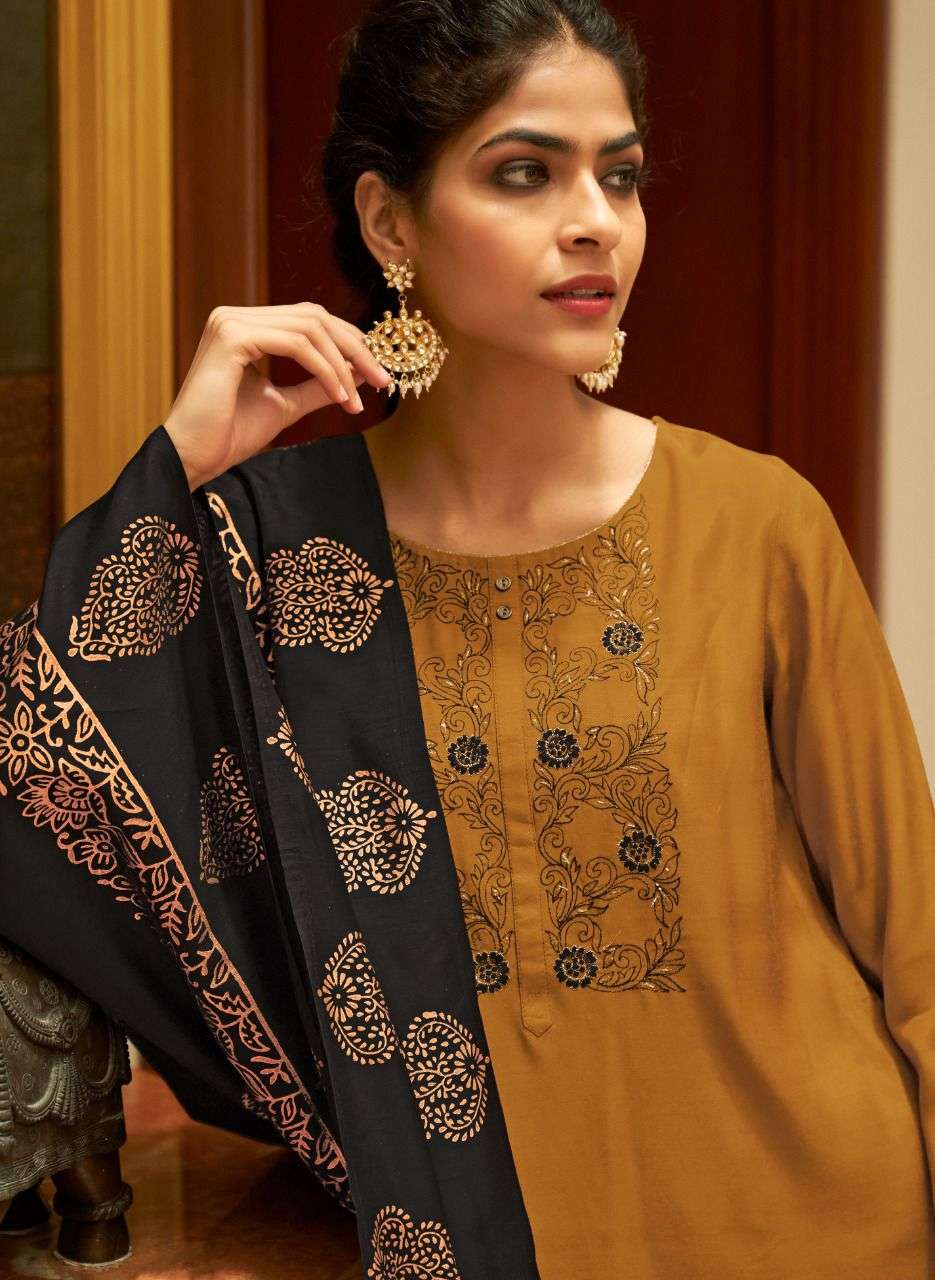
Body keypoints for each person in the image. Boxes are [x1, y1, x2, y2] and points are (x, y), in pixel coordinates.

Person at [1, 1, 933, 1277]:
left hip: (822, 1229)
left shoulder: (756, 520)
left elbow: (913, 934)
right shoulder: (276, 548)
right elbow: (39, 767)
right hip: (477, 1235)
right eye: (523, 173)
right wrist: (176, 466)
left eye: (618, 174)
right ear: (389, 222)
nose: (594, 220)